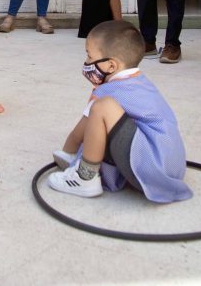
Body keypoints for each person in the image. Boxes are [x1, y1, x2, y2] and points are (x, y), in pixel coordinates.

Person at [48, 20, 191, 202]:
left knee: (102, 108)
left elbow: (80, 133)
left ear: (111, 66)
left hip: (152, 168)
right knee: (108, 117)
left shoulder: (108, 90)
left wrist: (69, 155)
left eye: (89, 57)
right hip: (171, 168)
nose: (86, 63)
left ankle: (85, 178)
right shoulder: (140, 83)